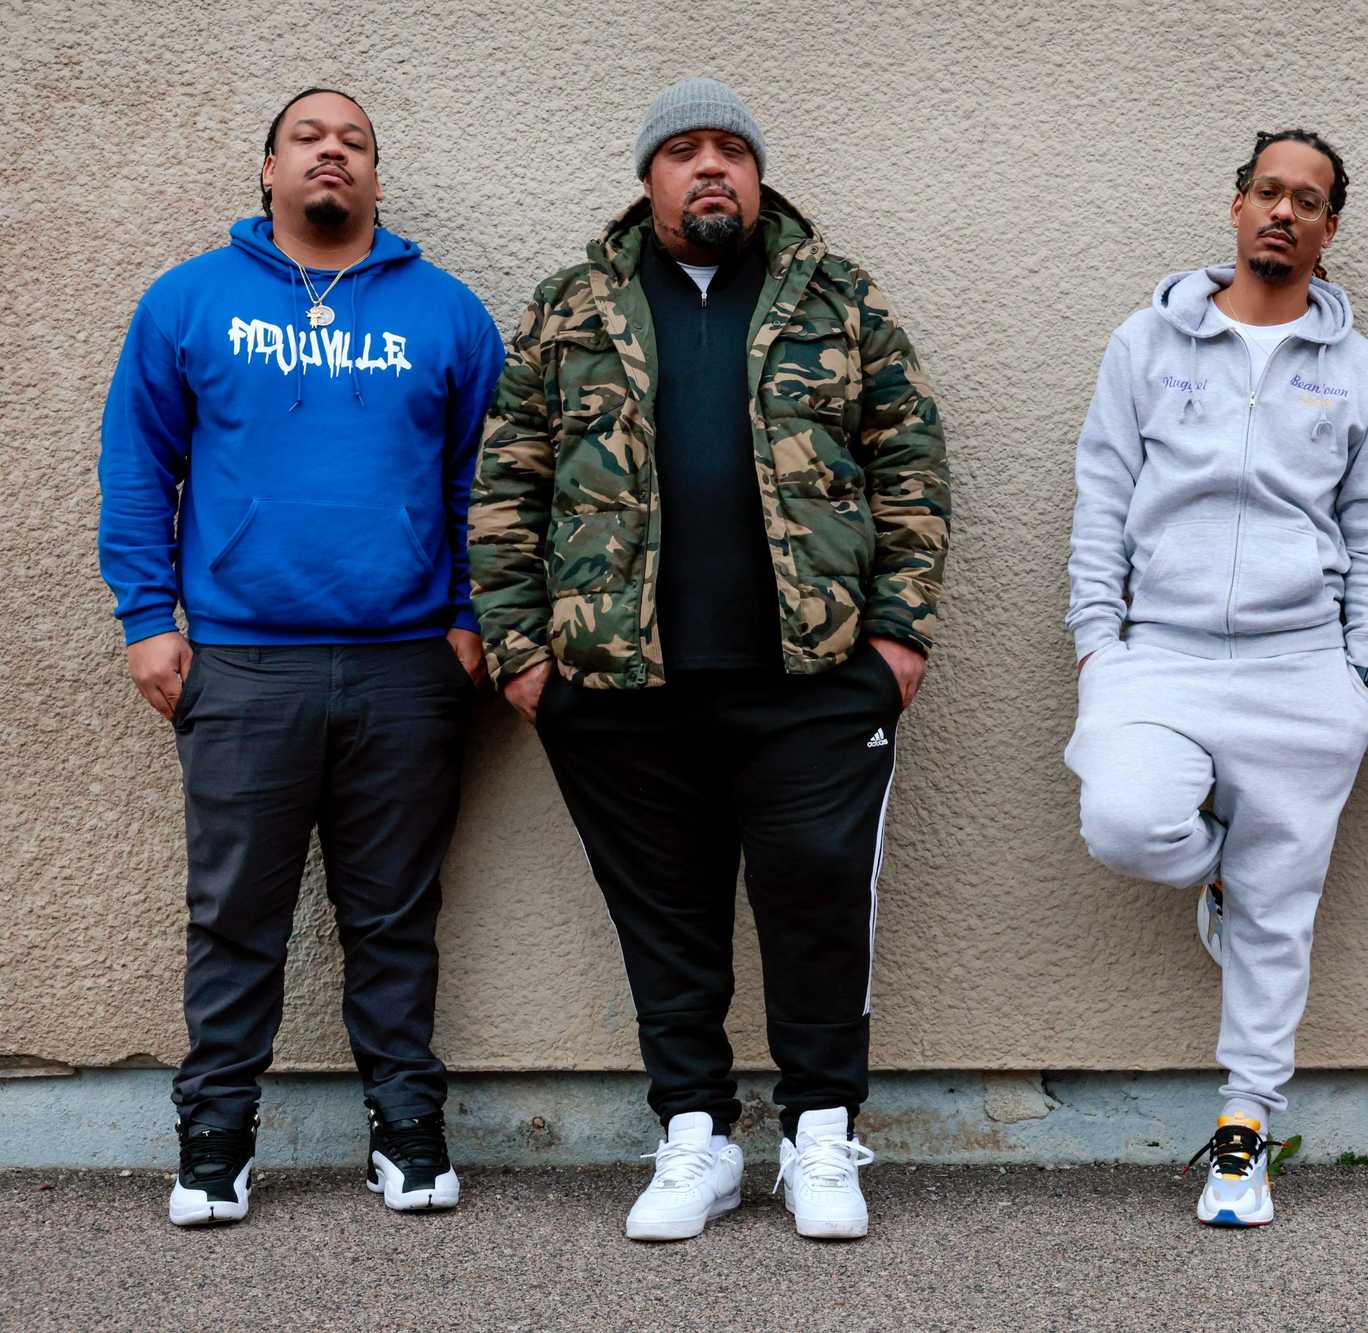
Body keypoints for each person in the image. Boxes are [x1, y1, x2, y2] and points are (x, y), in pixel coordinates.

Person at [470, 77, 949, 1242]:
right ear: (649, 178)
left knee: (816, 910)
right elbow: (505, 482)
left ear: (757, 172)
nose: (709, 169)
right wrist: (526, 659)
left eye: (729, 149)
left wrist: (893, 642)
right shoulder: (569, 306)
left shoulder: (836, 298)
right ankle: (695, 1138)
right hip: (619, 691)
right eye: (682, 151)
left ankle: (820, 1136)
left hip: (812, 686)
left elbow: (911, 465)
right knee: (665, 921)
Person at [98, 87, 503, 1226]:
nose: (334, 154)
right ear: (267, 170)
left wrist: (471, 619)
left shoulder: (448, 314)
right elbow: (137, 467)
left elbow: (491, 482)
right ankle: (216, 1144)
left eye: (356, 142)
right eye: (309, 139)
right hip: (240, 665)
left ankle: (408, 1133)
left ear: (378, 176)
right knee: (236, 915)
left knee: (394, 915)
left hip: (407, 668)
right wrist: (147, 618)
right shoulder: (189, 301)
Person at [1064, 128, 1368, 1227]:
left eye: (1307, 199)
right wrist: (1095, 648)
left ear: (1328, 228)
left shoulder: (1361, 373)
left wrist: (1362, 673)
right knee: (1123, 818)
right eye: (1267, 190)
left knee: (1279, 916)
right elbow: (1100, 501)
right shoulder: (1146, 342)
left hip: (1301, 666)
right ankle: (1217, 874)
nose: (1283, 211)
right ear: (1234, 205)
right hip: (1155, 655)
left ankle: (1243, 1134)